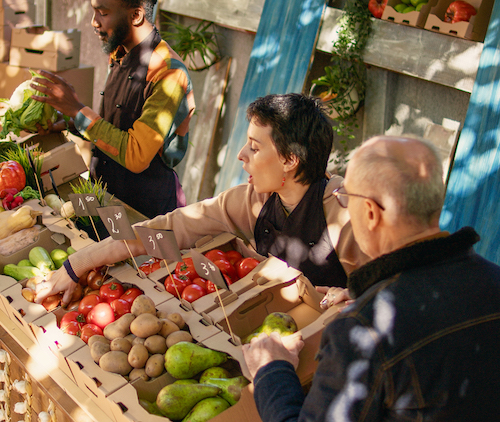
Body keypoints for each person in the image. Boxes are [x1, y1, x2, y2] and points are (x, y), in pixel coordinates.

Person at [243, 135, 500, 421]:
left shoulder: (363, 331)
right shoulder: (492, 279)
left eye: (345, 197)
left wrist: (272, 369)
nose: (343, 205)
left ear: (370, 213)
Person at [36, 93, 368, 305]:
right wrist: (77, 264)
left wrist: (353, 296)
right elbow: (164, 231)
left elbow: (399, 294)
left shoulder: (344, 216)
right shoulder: (253, 201)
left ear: (289, 160)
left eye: (254, 147)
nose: (241, 155)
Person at [30, 0, 195, 219]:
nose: (94, 22)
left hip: (144, 212)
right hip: (105, 195)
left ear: (136, 15)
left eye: (103, 13)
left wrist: (77, 109)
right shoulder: (120, 54)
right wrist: (70, 122)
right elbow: (113, 131)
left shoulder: (169, 73)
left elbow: (137, 155)